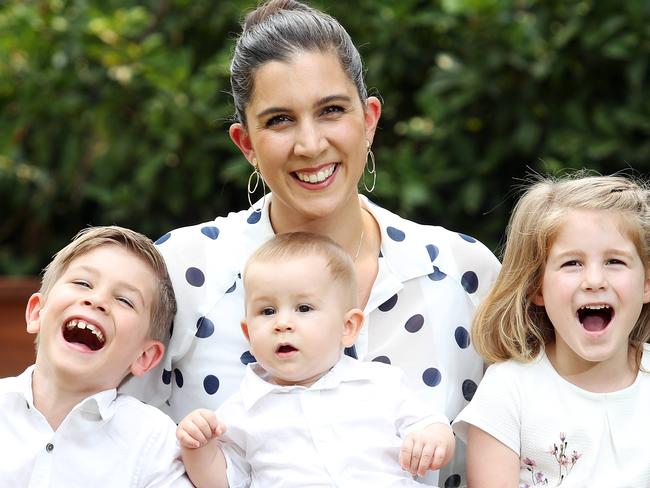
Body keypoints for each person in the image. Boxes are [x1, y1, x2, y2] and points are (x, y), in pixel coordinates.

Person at [122, 0, 500, 484]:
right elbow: (112, 439)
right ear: (246, 144)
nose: (310, 144)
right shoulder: (181, 271)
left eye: (332, 111)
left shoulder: (463, 271)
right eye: (279, 120)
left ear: (369, 120)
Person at [176, 232, 455, 487]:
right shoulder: (241, 409)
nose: (282, 323)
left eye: (304, 307)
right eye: (267, 311)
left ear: (348, 327)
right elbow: (222, 482)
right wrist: (198, 447)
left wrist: (431, 439)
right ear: (248, 334)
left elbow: (430, 424)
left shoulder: (379, 382)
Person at [452, 173, 650, 487]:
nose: (594, 280)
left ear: (646, 283)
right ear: (537, 287)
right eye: (572, 263)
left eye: (615, 261)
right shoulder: (509, 390)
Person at [0, 226, 192, 487]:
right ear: (37, 313)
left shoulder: (154, 443)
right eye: (82, 283)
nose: (97, 300)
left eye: (125, 300)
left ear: (144, 356)